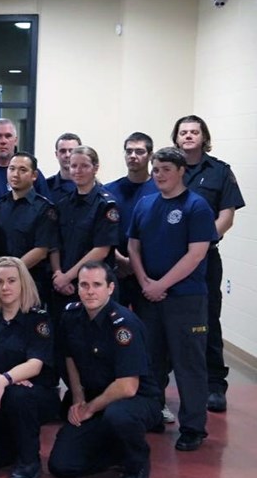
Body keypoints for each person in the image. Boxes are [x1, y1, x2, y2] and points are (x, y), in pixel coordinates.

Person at [128, 147, 217, 452]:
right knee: (151, 361)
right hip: (149, 296)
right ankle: (152, 413)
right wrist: (144, 282)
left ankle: (193, 427)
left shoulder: (197, 206)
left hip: (185, 299)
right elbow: (133, 246)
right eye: (156, 170)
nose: (159, 175)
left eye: (166, 169)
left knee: (188, 364)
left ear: (181, 171)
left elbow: (196, 255)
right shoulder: (145, 204)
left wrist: (161, 284)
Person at [48, 262, 162, 478]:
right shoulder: (71, 315)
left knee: (118, 416)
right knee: (61, 466)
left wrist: (89, 408)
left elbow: (127, 387)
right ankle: (116, 452)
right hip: (94, 395)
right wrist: (78, 398)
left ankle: (136, 465)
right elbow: (69, 356)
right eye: (84, 285)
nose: (90, 291)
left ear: (110, 288)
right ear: (77, 288)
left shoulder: (124, 325)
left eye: (97, 285)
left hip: (136, 400)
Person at [172, 115, 245, 413]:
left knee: (208, 319)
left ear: (204, 137)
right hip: (167, 258)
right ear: (176, 138)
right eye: (183, 132)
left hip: (204, 259)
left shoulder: (219, 172)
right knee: (164, 321)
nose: (189, 136)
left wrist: (200, 243)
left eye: (194, 132)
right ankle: (158, 388)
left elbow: (226, 215)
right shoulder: (165, 169)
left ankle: (215, 385)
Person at [0, 257, 59, 478]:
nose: (5, 287)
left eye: (11, 281)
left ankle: (30, 461)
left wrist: (5, 381)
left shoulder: (38, 319)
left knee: (19, 396)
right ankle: (11, 446)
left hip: (33, 395)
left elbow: (35, 364)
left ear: (23, 283)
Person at [50, 146, 119, 311]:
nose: (78, 171)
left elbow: (101, 250)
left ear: (95, 168)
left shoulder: (106, 204)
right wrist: (58, 274)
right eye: (73, 166)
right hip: (62, 286)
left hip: (92, 286)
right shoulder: (63, 204)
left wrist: (68, 277)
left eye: (84, 166)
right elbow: (54, 243)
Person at [0, 152, 57, 304]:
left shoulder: (44, 208)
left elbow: (41, 250)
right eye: (12, 169)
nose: (15, 174)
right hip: (1, 284)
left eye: (22, 170)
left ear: (34, 175)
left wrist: (11, 273)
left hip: (31, 283)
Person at [104, 132, 158, 308]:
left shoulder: (161, 191)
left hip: (149, 272)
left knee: (146, 328)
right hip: (116, 268)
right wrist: (121, 260)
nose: (133, 156)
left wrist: (136, 263)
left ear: (150, 155)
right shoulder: (109, 190)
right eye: (129, 151)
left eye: (140, 152)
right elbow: (102, 231)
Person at [0, 118, 50, 206]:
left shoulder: (30, 173)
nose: (3, 141)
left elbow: (45, 207)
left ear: (15, 141)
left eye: (8, 136)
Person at [46, 132, 81, 204]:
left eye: (71, 151)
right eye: (63, 151)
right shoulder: (46, 187)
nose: (67, 155)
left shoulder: (91, 187)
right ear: (56, 154)